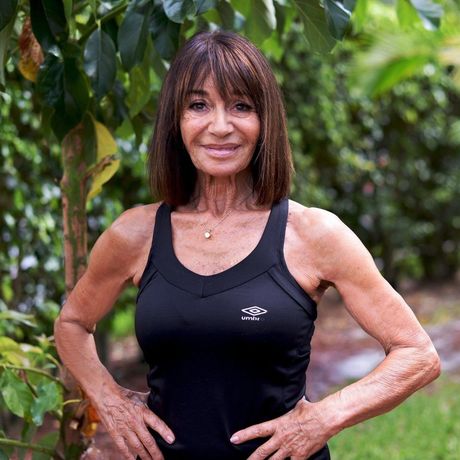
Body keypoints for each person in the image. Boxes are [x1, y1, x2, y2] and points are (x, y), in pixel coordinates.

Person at [54, 30, 441, 460]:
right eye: (199, 105)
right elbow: (72, 324)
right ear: (176, 122)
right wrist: (108, 399)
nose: (220, 126)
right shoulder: (136, 233)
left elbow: (417, 355)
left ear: (265, 122)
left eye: (241, 106)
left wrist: (324, 417)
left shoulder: (313, 234)